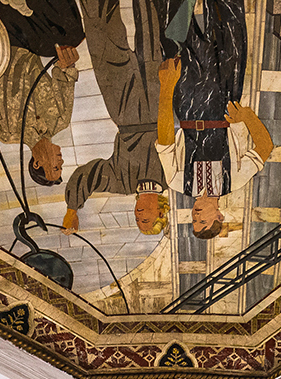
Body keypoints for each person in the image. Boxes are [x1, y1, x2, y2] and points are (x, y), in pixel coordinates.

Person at [63, 0, 171, 236]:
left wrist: (72, 209)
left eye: (137, 221)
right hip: (158, 100)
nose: (138, 216)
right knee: (149, 19)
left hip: (124, 108)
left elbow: (87, 177)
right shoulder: (172, 175)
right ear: (161, 213)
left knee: (101, 36)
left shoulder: (121, 183)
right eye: (145, 220)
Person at [160, 0, 258, 239]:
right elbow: (266, 147)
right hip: (225, 97)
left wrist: (166, 88)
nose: (196, 215)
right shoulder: (236, 180)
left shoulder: (177, 182)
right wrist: (246, 116)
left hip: (188, 101)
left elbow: (164, 141)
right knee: (230, 31)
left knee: (177, 35)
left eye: (193, 219)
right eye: (202, 220)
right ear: (219, 216)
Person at [0, 45, 76, 186]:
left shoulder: (6, 134)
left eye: (56, 166)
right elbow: (65, 75)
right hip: (28, 45)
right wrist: (67, 63)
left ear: (37, 163)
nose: (61, 161)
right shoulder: (61, 120)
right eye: (61, 166)